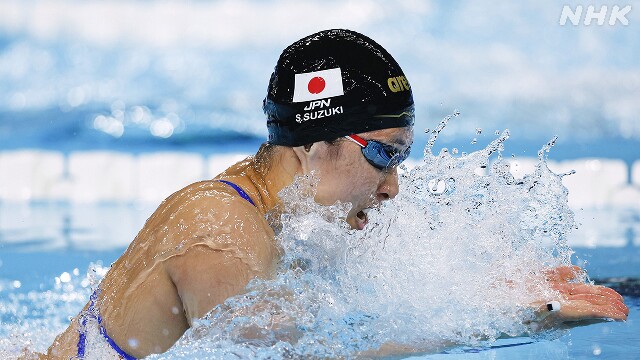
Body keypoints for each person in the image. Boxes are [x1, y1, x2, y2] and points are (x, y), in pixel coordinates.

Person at [43, 29, 628, 359]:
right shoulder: (226, 239)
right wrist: (509, 321)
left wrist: (493, 289)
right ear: (317, 143)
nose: (393, 187)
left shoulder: (274, 202)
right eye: (383, 154)